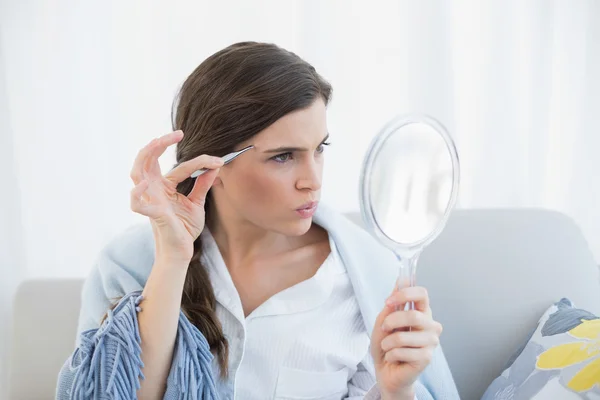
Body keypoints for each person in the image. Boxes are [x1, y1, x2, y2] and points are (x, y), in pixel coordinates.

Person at [56, 41, 459, 400]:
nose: (312, 181)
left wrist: (396, 390)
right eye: (283, 156)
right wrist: (173, 261)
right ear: (213, 166)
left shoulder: (366, 280)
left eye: (320, 149)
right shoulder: (127, 267)